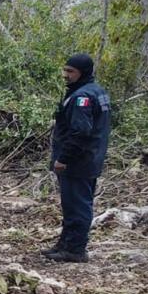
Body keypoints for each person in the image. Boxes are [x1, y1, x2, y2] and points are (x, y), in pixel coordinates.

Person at [45, 53, 111, 263]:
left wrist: (63, 159)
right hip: (89, 158)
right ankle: (66, 243)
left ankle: (75, 249)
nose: (66, 75)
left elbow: (80, 133)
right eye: (65, 70)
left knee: (78, 205)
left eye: (70, 71)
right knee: (72, 204)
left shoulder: (82, 97)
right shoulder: (97, 92)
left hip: (78, 162)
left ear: (83, 72)